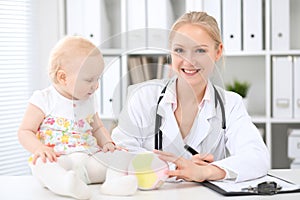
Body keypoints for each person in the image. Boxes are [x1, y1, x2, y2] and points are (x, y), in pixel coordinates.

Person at [111, 11, 270, 183]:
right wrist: (177, 168)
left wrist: (207, 171)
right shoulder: (144, 97)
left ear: (218, 52)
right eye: (179, 50)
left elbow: (257, 157)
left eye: (200, 50)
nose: (189, 61)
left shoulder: (230, 104)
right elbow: (120, 152)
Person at [18, 36, 137, 199]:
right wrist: (39, 149)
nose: (96, 86)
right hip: (60, 160)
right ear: (62, 77)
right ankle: (66, 185)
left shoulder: (89, 100)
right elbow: (25, 131)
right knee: (40, 163)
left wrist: (108, 143)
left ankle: (113, 183)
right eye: (89, 80)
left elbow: (97, 127)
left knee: (122, 154)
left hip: (89, 161)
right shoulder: (44, 99)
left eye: (98, 79)